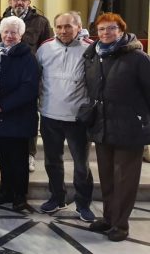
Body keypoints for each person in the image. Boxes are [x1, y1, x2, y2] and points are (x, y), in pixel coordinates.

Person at [83, 13, 150, 242]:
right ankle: (109, 218)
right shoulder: (94, 56)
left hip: (130, 128)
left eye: (111, 29)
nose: (105, 33)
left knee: (125, 180)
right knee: (108, 177)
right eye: (101, 30)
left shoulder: (138, 58)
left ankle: (120, 225)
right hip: (103, 127)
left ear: (121, 31)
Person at [36, 11, 95, 221]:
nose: (63, 31)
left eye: (68, 26)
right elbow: (38, 77)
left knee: (81, 164)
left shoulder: (89, 48)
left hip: (77, 117)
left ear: (79, 27)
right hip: (50, 114)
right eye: (59, 27)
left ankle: (83, 203)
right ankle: (57, 197)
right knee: (53, 161)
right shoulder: (44, 48)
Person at [0, 0, 52, 172]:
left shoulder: (41, 22)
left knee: (27, 117)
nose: (19, 2)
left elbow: (47, 48)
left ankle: (29, 154)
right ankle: (7, 156)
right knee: (5, 117)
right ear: (10, 1)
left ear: (29, 2)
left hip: (28, 76)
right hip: (4, 78)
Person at [0, 16, 39, 211]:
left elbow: (29, 88)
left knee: (18, 158)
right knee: (4, 157)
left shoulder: (27, 56)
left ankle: (19, 196)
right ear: (0, 33)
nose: (9, 36)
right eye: (6, 32)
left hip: (18, 114)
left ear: (21, 35)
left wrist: (2, 105)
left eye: (14, 33)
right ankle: (5, 191)